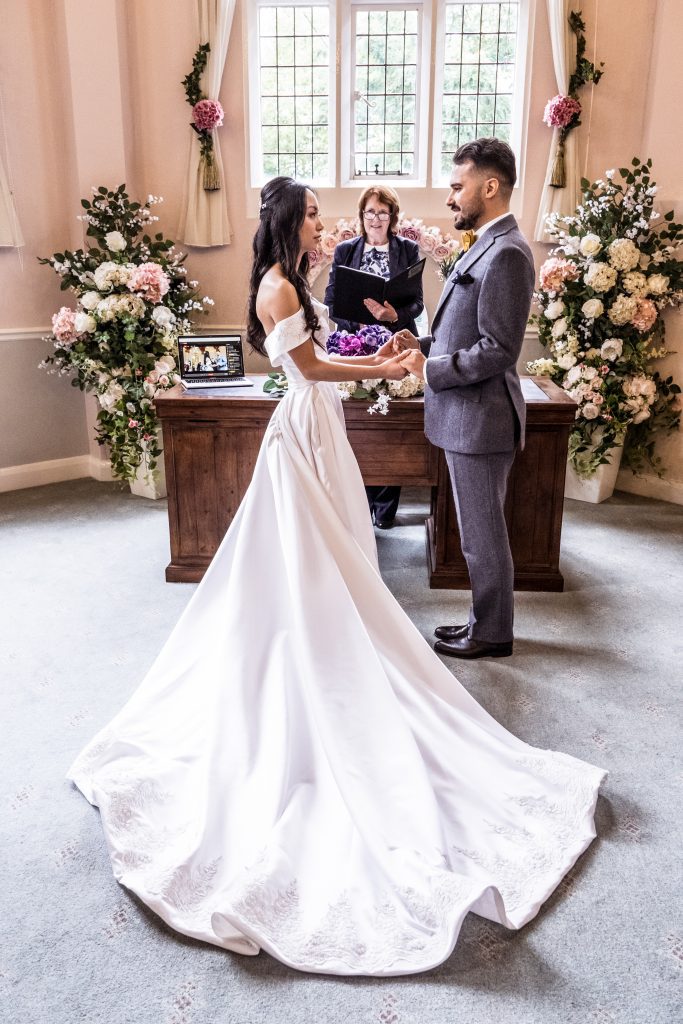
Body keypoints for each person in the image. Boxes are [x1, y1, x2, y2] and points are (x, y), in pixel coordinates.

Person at [67, 176, 605, 978]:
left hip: (315, 428)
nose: (325, 220)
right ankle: (309, 653)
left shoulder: (295, 279)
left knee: (334, 554)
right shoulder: (278, 285)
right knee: (304, 561)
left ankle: (328, 639)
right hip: (305, 427)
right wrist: (387, 372)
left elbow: (321, 358)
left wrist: (390, 350)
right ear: (290, 219)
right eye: (315, 211)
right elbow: (312, 370)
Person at [396, 138, 534, 661]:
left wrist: (429, 369)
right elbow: (462, 332)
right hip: (466, 417)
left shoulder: (509, 253)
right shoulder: (483, 243)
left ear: (490, 186)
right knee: (477, 533)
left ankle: (493, 633)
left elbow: (498, 349)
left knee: (482, 536)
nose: (451, 198)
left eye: (458, 186)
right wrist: (421, 344)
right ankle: (484, 620)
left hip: (483, 420)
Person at [324, 186, 425, 529]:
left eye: (383, 212)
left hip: (395, 342)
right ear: (361, 215)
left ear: (393, 216)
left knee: (391, 422)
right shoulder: (345, 250)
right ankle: (358, 501)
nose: (376, 218)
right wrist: (359, 326)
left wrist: (392, 317)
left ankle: (385, 507)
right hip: (354, 344)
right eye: (370, 212)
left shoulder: (408, 250)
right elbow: (333, 301)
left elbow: (417, 303)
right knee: (359, 422)